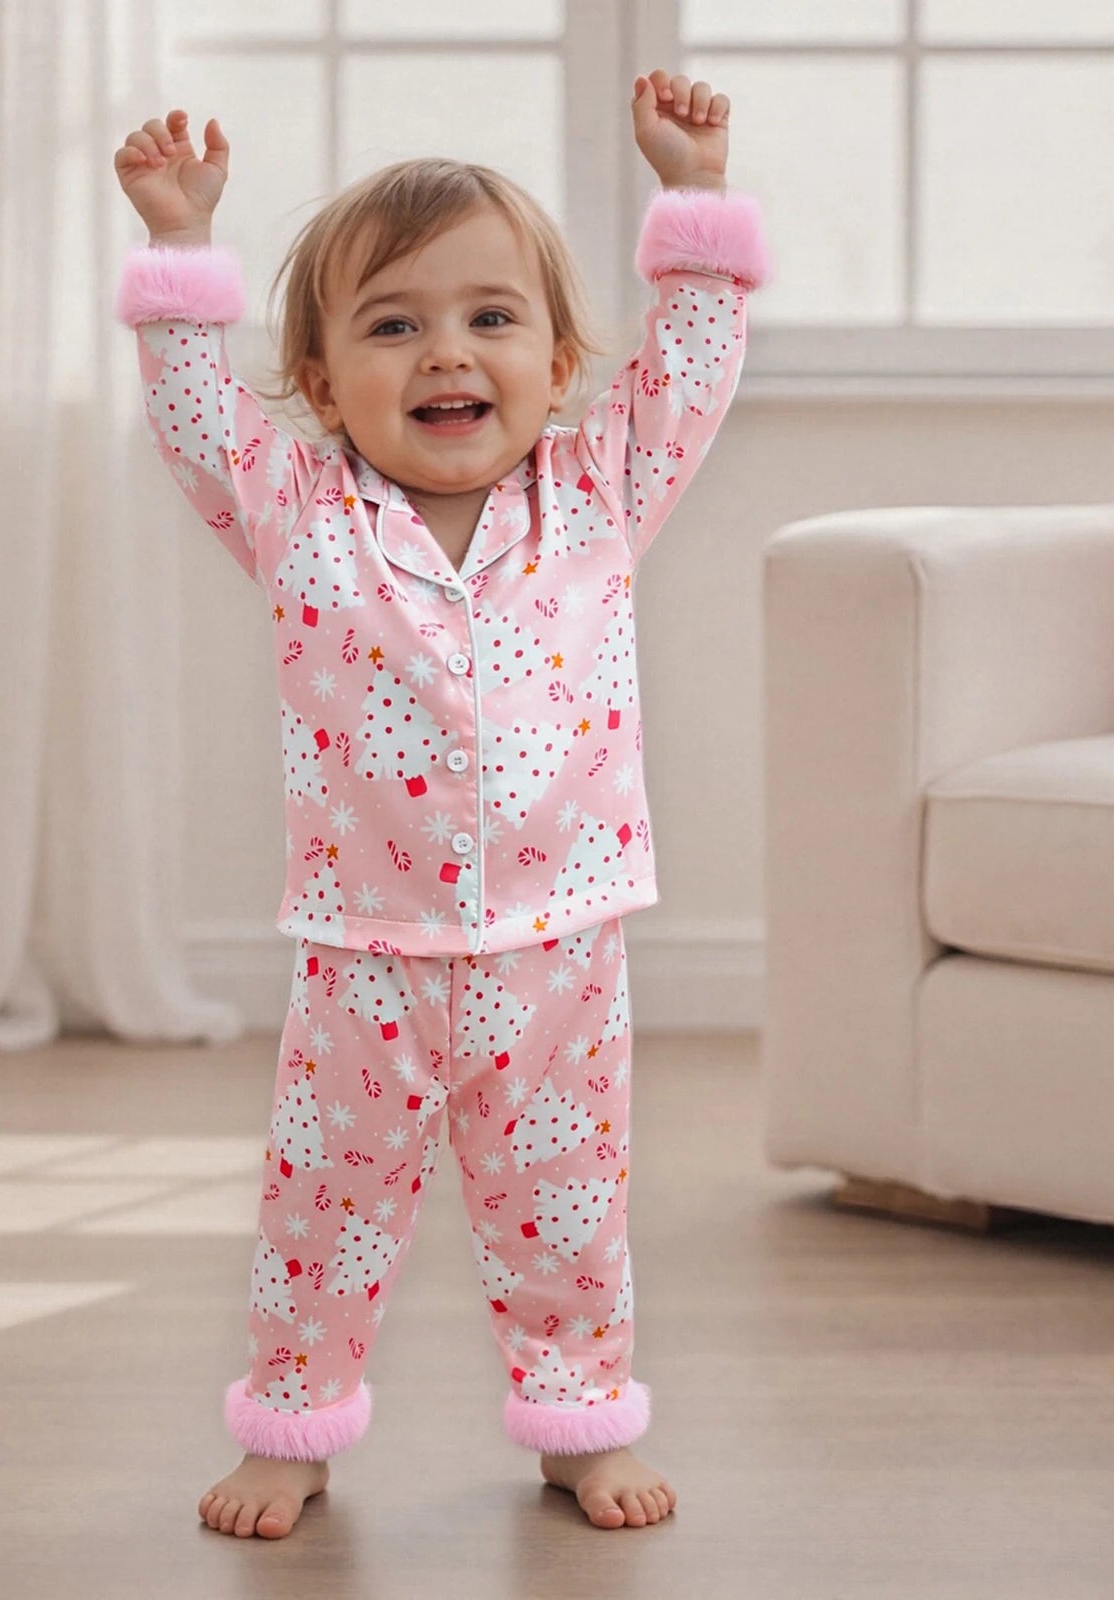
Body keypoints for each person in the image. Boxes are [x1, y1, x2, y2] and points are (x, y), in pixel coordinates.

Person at [111, 66, 771, 1539]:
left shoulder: (599, 492)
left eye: (489, 318)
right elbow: (195, 416)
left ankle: (578, 1415)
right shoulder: (297, 512)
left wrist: (694, 196)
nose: (445, 354)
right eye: (393, 325)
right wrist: (178, 245)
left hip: (560, 942)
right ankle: (290, 1425)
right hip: (367, 946)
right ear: (324, 378)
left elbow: (699, 365)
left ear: (555, 358)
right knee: (325, 1206)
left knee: (565, 1204)